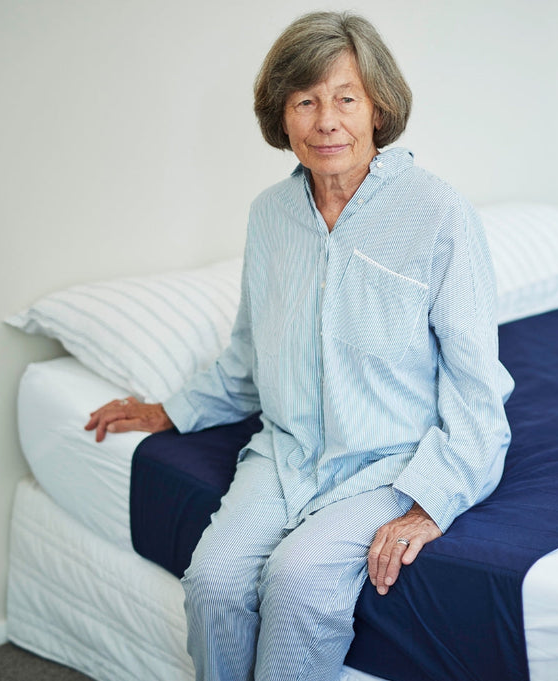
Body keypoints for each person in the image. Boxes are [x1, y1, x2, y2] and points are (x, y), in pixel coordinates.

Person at [84, 10, 513, 681]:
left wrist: (435, 501)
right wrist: (169, 410)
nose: (326, 121)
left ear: (379, 108)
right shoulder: (270, 216)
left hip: (388, 463)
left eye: (346, 98)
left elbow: (476, 384)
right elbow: (250, 357)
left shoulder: (437, 212)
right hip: (284, 455)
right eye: (304, 101)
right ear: (281, 118)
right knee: (213, 584)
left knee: (298, 582)